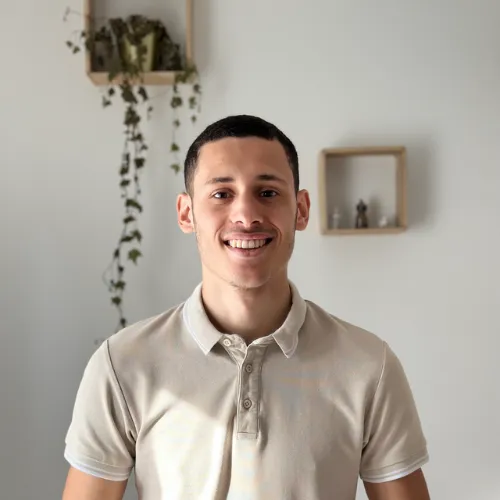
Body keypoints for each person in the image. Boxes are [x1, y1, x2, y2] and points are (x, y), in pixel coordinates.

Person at [62, 115, 431, 500]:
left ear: (301, 209)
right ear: (187, 213)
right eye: (222, 194)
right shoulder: (122, 363)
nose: (246, 215)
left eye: (267, 193)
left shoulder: (370, 366)